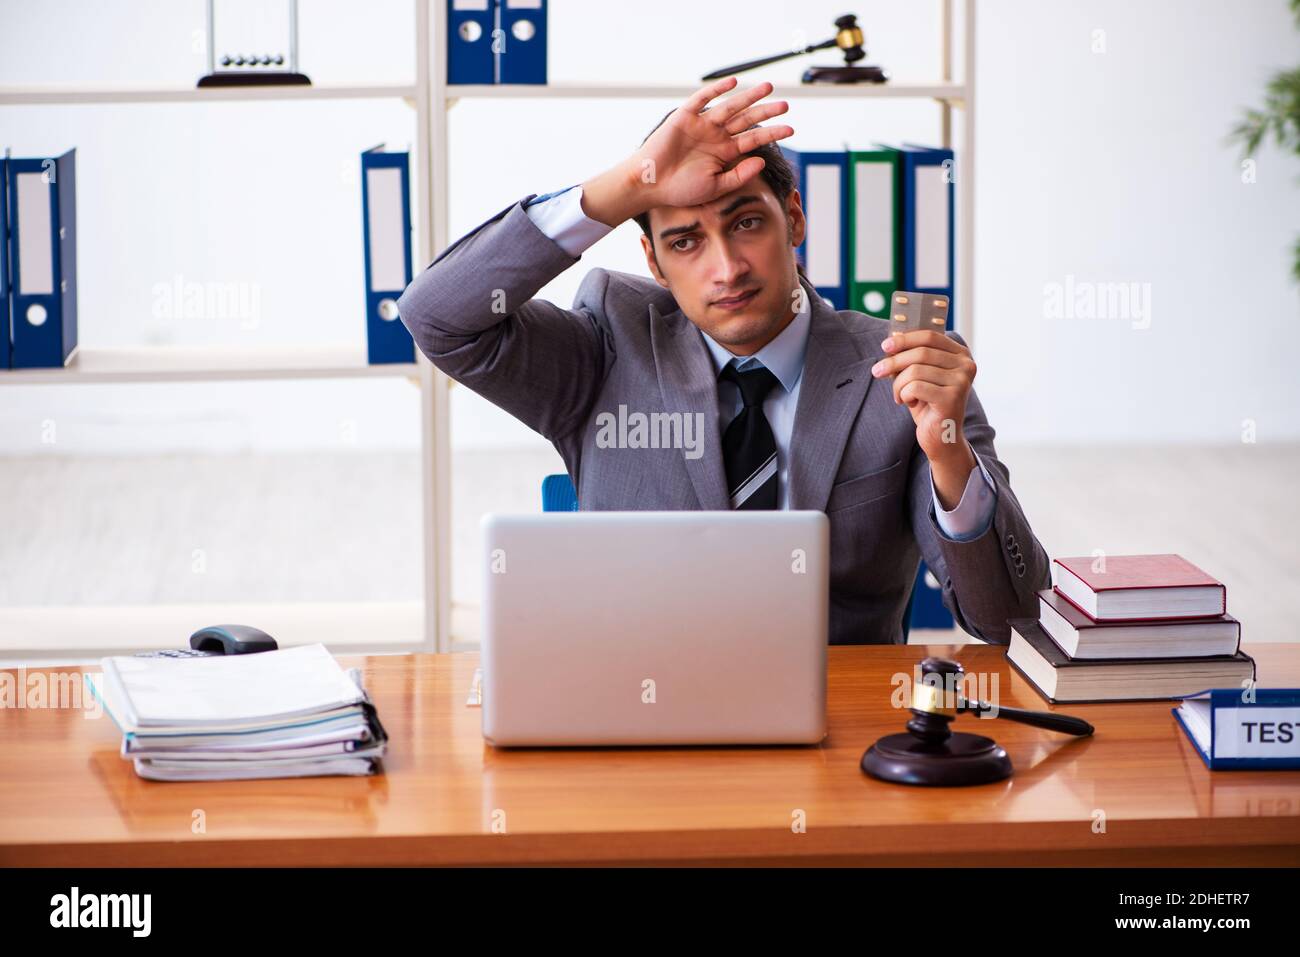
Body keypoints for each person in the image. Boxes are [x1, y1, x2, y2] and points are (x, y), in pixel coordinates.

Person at [396, 76, 1050, 645]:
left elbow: (1011, 619)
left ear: (794, 219)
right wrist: (626, 185)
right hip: (643, 719)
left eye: (746, 224)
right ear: (653, 263)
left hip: (842, 732)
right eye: (685, 241)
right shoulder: (606, 346)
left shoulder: (904, 368)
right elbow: (436, 315)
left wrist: (947, 451)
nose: (727, 268)